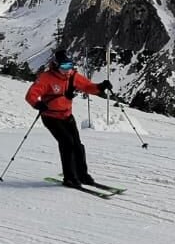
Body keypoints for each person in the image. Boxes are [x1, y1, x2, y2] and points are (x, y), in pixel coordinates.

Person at [25, 49, 113, 188]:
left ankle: (82, 175)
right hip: (51, 117)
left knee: (77, 145)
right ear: (56, 65)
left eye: (70, 65)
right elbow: (31, 95)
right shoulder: (46, 78)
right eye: (64, 66)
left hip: (66, 115)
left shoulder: (72, 76)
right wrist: (37, 104)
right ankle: (70, 177)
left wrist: (101, 87)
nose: (67, 70)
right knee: (67, 143)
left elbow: (88, 86)